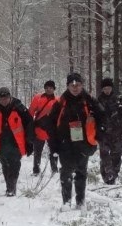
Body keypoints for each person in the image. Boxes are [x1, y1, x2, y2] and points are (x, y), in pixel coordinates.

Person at [44, 72, 102, 208]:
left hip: (84, 143)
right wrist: (53, 145)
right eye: (72, 85)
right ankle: (66, 202)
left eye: (78, 85)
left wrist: (97, 139)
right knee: (66, 173)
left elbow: (102, 119)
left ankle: (80, 202)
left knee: (81, 172)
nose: (75, 88)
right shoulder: (61, 102)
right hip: (65, 144)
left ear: (82, 85)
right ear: (68, 86)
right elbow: (50, 124)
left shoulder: (89, 100)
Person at [0, 87, 33, 196]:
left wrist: (29, 142)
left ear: (10, 97)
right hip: (0, 144)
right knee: (5, 166)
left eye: (6, 98)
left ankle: (11, 189)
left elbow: (30, 124)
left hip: (16, 143)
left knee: (15, 165)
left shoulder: (20, 108)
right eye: (1, 98)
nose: (4, 100)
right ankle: (9, 187)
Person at [95, 77, 122, 185]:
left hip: (117, 133)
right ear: (102, 89)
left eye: (109, 88)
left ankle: (113, 177)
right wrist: (97, 129)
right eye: (105, 88)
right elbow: (94, 117)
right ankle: (106, 178)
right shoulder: (98, 101)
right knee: (105, 156)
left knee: (117, 156)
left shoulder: (118, 100)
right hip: (103, 133)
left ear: (112, 88)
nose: (107, 90)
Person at [27, 80, 60, 175]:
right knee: (37, 151)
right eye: (47, 87)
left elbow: (60, 115)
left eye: (51, 87)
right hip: (39, 129)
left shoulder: (58, 100)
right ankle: (36, 170)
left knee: (54, 151)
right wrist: (30, 126)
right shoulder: (38, 98)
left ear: (54, 89)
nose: (49, 89)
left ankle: (54, 170)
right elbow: (31, 112)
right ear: (44, 88)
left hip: (52, 131)